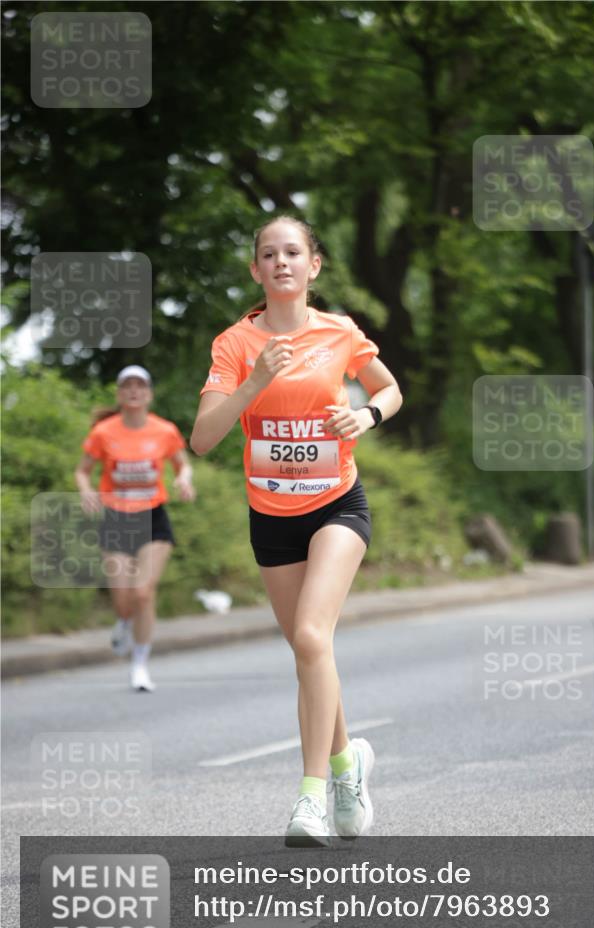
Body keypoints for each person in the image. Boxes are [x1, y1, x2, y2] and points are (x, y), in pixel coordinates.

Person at [191, 216, 402, 846]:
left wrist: (364, 416)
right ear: (256, 271)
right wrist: (256, 381)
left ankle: (309, 799)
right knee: (310, 653)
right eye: (267, 254)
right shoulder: (233, 344)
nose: (280, 262)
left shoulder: (339, 333)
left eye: (293, 252)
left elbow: (389, 390)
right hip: (272, 517)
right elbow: (202, 440)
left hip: (338, 504)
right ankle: (348, 764)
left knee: (313, 634)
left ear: (314, 266)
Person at [75, 365, 196, 692]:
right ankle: (124, 621)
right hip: (116, 518)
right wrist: (86, 491)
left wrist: (184, 479)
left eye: (140, 386)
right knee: (123, 599)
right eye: (126, 385)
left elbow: (182, 463)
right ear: (119, 393)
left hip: (153, 516)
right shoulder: (104, 432)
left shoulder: (164, 430)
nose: (133, 391)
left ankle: (140, 664)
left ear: (149, 394)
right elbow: (83, 471)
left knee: (144, 592)